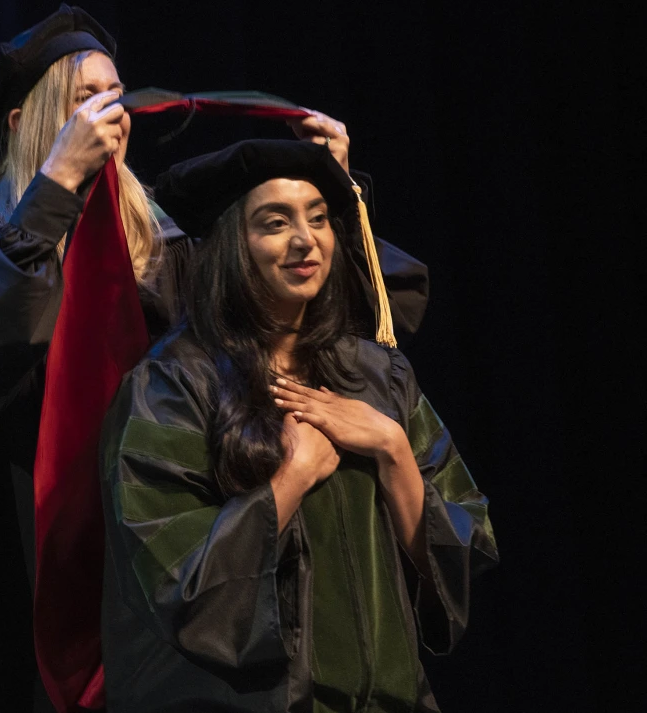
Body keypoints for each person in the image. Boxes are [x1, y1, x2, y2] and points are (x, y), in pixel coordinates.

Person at [0, 4, 430, 713]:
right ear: (24, 124)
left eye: (116, 94)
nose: (109, 112)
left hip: (150, 547)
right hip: (12, 556)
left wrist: (333, 191)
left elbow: (341, 318)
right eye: (85, 98)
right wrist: (53, 194)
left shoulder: (167, 247)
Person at [99, 138, 498, 712]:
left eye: (317, 219)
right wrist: (290, 479)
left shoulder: (377, 374)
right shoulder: (173, 386)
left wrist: (392, 449)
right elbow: (173, 583)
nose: (305, 239)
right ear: (232, 245)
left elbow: (465, 544)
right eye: (275, 222)